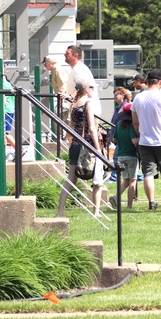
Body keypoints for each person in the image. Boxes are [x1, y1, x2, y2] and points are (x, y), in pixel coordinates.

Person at [132, 69, 161, 210]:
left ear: (146, 82)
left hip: (145, 141)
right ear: (160, 82)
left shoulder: (138, 98)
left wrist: (140, 134)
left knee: (148, 172)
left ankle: (152, 202)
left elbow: (135, 122)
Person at [56, 81, 105, 217]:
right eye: (92, 88)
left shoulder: (75, 104)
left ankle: (60, 211)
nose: (93, 90)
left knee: (70, 180)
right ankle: (96, 212)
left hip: (75, 145)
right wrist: (97, 148)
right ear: (87, 89)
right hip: (88, 146)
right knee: (97, 180)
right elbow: (91, 128)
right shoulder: (88, 104)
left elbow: (72, 127)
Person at [111, 102, 141, 209]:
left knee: (126, 181)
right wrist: (141, 137)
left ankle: (116, 196)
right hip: (131, 156)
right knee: (132, 181)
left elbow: (114, 139)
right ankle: (129, 205)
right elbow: (134, 141)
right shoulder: (132, 125)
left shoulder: (118, 124)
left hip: (120, 156)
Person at [63, 45, 100, 119]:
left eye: (67, 53)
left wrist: (70, 96)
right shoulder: (77, 68)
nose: (65, 55)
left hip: (86, 113)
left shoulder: (79, 68)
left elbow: (82, 84)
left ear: (75, 56)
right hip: (81, 112)